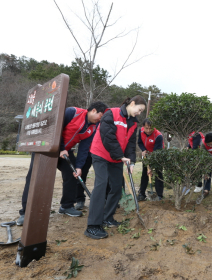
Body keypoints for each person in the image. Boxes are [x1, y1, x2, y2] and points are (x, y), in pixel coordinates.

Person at [16, 102, 108, 225]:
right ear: (93, 110)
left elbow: (84, 148)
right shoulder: (72, 112)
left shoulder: (93, 127)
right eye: (100, 116)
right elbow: (54, 128)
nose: (100, 120)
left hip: (65, 151)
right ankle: (25, 212)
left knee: (72, 173)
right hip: (46, 148)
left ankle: (66, 206)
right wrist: (61, 147)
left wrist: (79, 167)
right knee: (34, 177)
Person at [85, 95, 146, 239]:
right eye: (139, 109)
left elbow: (131, 144)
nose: (139, 113)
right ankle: (92, 226)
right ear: (132, 104)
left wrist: (131, 161)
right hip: (100, 154)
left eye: (142, 111)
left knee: (117, 187)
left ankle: (107, 217)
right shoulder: (111, 113)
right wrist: (120, 156)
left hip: (117, 158)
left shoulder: (133, 123)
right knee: (101, 184)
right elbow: (108, 136)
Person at [138, 118, 164, 201]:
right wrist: (143, 150)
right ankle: (142, 193)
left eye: (150, 128)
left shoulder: (158, 136)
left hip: (158, 155)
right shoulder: (140, 131)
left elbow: (156, 152)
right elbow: (140, 142)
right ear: (143, 127)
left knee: (158, 174)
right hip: (147, 155)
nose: (148, 130)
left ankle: (159, 195)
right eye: (147, 128)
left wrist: (151, 168)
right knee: (145, 173)